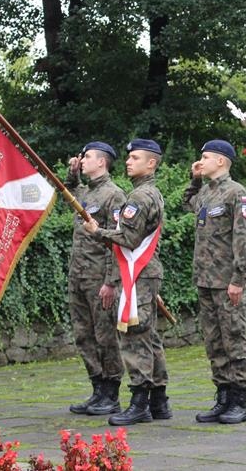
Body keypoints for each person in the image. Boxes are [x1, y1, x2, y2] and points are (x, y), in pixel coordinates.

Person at [84, 139, 171, 426]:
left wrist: (98, 231)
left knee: (135, 335)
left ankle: (140, 402)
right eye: (129, 157)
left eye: (135, 158)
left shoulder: (140, 197)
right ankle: (159, 401)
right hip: (144, 272)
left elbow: (130, 239)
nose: (128, 162)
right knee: (149, 335)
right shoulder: (150, 193)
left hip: (138, 273)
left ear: (151, 163)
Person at [182, 140, 246, 424]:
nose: (201, 161)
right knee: (214, 343)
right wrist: (194, 179)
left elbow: (245, 240)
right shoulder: (205, 192)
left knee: (234, 340)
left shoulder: (236, 193)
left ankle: (239, 401)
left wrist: (238, 279)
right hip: (205, 280)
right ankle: (223, 397)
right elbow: (187, 203)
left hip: (227, 282)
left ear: (221, 161)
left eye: (205, 157)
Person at [65, 142, 126, 416]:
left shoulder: (114, 195)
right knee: (83, 335)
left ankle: (111, 393)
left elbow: (117, 241)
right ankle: (97, 388)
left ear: (102, 161)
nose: (82, 159)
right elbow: (68, 192)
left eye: (87, 157)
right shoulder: (86, 192)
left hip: (100, 277)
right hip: (78, 276)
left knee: (105, 336)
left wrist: (111, 281)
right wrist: (73, 173)